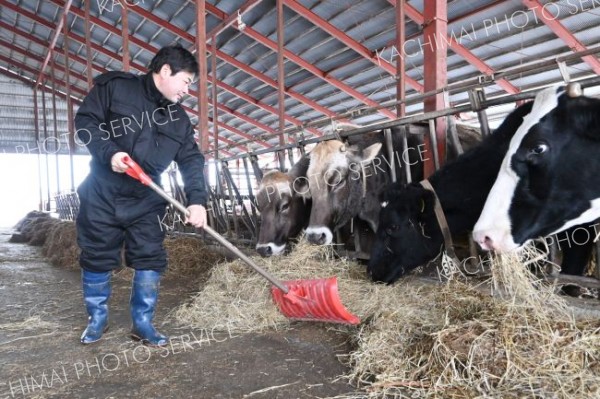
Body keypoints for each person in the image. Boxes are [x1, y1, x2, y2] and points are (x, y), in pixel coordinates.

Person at [74, 44, 207, 347]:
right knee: (96, 256)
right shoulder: (116, 89)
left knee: (150, 257)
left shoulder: (179, 120)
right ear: (164, 71)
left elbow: (191, 160)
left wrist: (197, 199)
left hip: (147, 198)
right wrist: (109, 153)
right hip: (102, 191)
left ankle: (143, 323)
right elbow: (85, 123)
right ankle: (97, 320)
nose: (187, 90)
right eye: (186, 81)